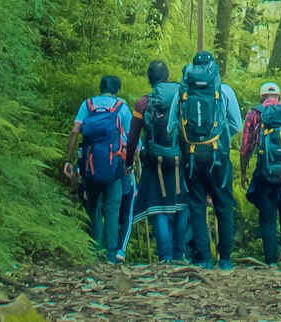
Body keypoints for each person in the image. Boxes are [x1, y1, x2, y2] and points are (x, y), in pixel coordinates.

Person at [168, 50, 242, 272]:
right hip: (218, 157)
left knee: (198, 206)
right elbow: (236, 125)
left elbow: (172, 125)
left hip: (191, 158)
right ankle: (226, 259)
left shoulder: (183, 92)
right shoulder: (224, 91)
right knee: (224, 205)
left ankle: (203, 259)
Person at [63, 74, 133, 263]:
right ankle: (111, 255)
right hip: (114, 168)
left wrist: (68, 161)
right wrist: (130, 164)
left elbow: (75, 131)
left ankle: (93, 251)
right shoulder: (122, 108)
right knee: (112, 209)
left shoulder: (87, 105)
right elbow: (129, 138)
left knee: (93, 207)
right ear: (117, 91)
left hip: (90, 166)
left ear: (100, 88)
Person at [126, 59, 189, 263]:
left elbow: (133, 136)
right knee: (180, 205)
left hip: (154, 163)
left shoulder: (143, 103)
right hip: (181, 160)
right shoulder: (183, 97)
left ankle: (165, 257)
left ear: (149, 79)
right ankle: (180, 254)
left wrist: (128, 163)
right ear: (168, 76)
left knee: (158, 208)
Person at [240, 81, 281, 265]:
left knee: (267, 214)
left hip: (265, 172)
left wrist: (243, 172)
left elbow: (246, 147)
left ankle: (271, 260)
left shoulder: (255, 114)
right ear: (279, 97)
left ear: (261, 97)